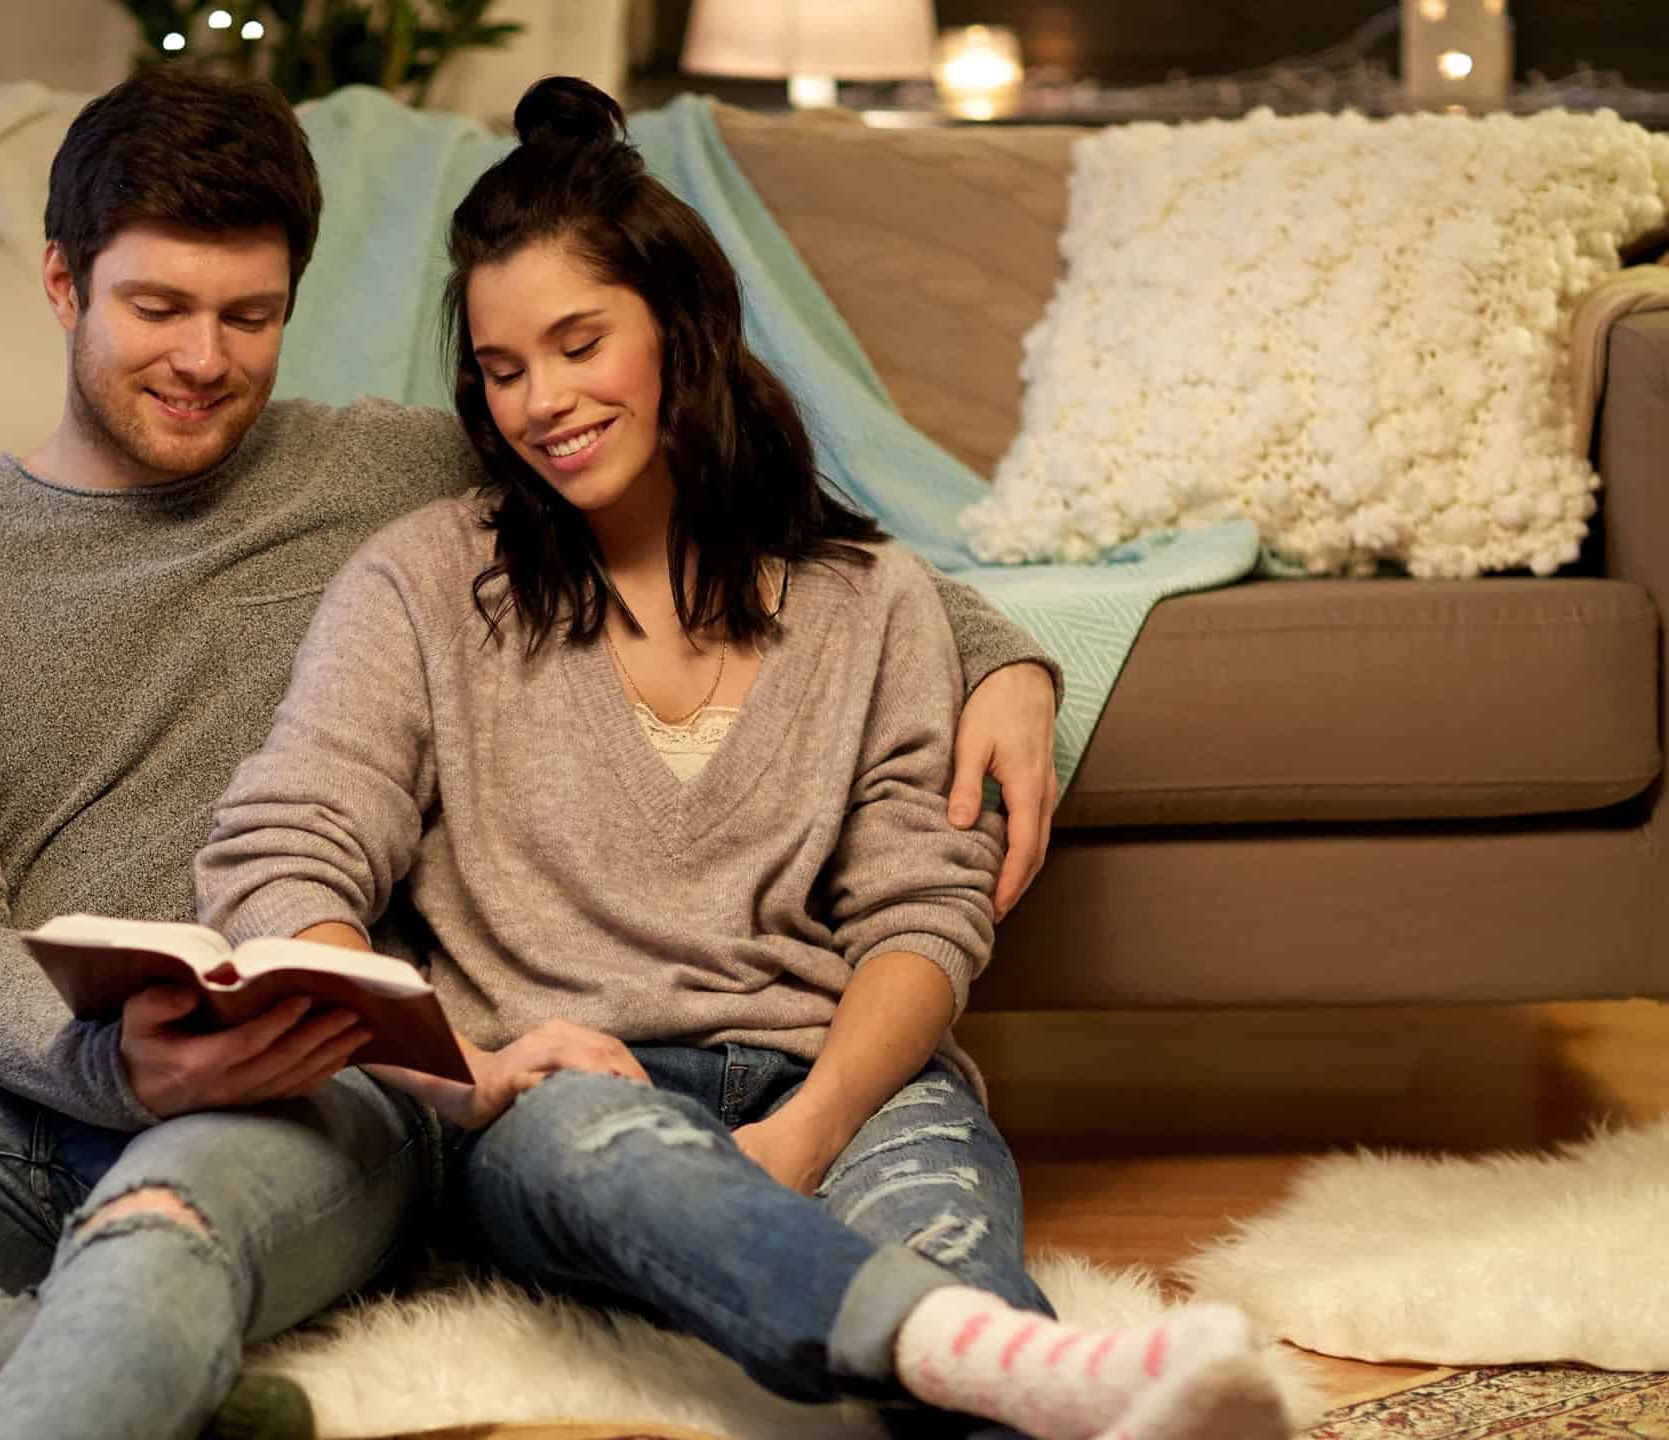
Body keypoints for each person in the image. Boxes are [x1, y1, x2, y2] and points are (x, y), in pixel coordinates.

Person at [0, 65, 1069, 1440]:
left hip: (305, 1097)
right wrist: (105, 1063)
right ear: (60, 285)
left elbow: (706, 493)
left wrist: (1000, 658)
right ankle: (18, 1370)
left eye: (249, 317)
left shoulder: (393, 470)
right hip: (20, 1093)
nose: (204, 359)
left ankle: (100, 1346)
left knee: (165, 1216)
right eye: (157, 306)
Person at [195, 77, 1292, 1440]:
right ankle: (983, 1351)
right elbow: (285, 849)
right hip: (572, 1103)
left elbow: (922, 908)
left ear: (679, 326)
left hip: (838, 1071)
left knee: (950, 1260)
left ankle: (1006, 1369)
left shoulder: (873, 599)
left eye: (578, 343)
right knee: (630, 1164)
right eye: (500, 367)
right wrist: (462, 1072)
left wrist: (815, 1127)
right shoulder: (421, 587)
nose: (541, 402)